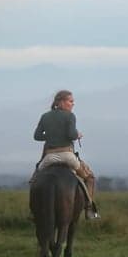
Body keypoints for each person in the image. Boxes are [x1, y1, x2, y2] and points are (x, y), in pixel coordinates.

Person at [33, 90, 100, 220]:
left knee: (34, 180)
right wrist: (78, 135)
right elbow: (71, 135)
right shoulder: (70, 116)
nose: (72, 104)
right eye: (70, 101)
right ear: (61, 102)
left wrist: (51, 135)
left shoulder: (45, 116)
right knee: (90, 178)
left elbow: (37, 136)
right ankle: (89, 210)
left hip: (49, 157)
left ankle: (34, 211)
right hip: (68, 157)